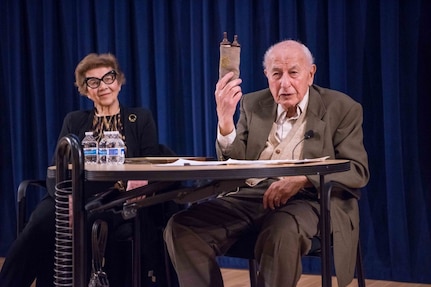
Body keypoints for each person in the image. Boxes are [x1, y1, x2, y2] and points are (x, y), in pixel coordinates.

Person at [163, 40, 370, 287]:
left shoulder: (341, 108)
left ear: (310, 74)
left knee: (280, 232)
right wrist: (225, 120)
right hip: (251, 196)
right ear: (266, 75)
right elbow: (234, 161)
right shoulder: (253, 104)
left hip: (310, 199)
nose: (284, 83)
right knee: (183, 226)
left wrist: (303, 179)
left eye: (293, 73)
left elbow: (357, 170)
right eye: (276, 74)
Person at [0, 53, 174, 287]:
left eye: (108, 78)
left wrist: (140, 176)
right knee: (39, 223)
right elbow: (56, 168)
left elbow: (150, 159)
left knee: (91, 221)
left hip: (115, 198)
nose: (102, 86)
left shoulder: (139, 118)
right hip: (73, 194)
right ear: (85, 89)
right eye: (93, 82)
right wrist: (67, 199)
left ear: (119, 81)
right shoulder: (74, 120)